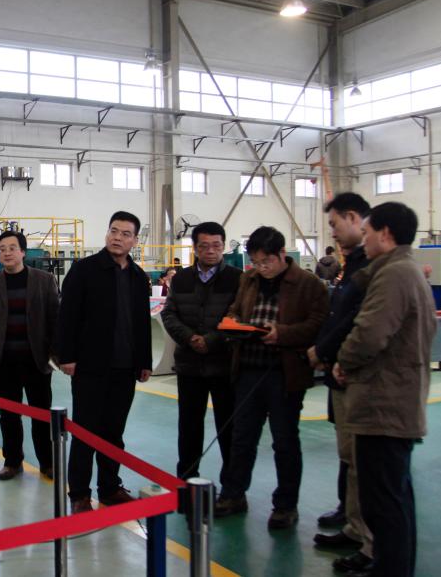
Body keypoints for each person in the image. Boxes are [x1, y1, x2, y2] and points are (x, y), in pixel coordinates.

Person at [334, 202, 436, 577]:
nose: (364, 240)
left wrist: (342, 361)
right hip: (395, 400)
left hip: (384, 404)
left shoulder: (394, 275)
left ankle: (390, 569)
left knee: (383, 501)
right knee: (394, 497)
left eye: (368, 232)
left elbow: (370, 333)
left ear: (386, 234)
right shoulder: (406, 271)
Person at [214, 226, 328, 529]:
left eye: (266, 261)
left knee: (284, 441)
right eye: (255, 262)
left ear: (282, 254)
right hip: (248, 370)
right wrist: (233, 322)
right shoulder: (248, 279)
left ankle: (285, 506)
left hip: (284, 373)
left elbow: (318, 324)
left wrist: (283, 334)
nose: (261, 268)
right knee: (242, 438)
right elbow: (236, 309)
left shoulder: (308, 284)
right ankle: (233, 494)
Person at [59, 211, 152, 514]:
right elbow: (67, 316)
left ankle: (110, 488)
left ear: (134, 241)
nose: (117, 237)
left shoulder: (138, 277)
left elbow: (142, 323)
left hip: (125, 368)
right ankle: (80, 494)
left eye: (125, 234)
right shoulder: (84, 270)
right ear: (107, 233)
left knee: (113, 432)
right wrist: (67, 356)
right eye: (114, 230)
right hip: (90, 367)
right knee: (85, 431)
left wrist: (144, 361)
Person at [306, 193, 374, 572]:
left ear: (353, 218)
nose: (331, 231)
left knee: (364, 462)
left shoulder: (375, 267)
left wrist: (326, 352)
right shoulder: (353, 265)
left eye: (334, 224)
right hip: (341, 373)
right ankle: (354, 525)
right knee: (350, 457)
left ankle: (370, 543)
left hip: (359, 376)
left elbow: (360, 322)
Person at [0, 230, 60, 480]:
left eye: (11, 248)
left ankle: (47, 462)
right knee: (9, 415)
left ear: (23, 252)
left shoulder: (44, 280)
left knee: (42, 414)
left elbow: (55, 319)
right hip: (4, 360)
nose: (6, 253)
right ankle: (13, 461)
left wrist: (58, 355)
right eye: (2, 249)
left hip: (37, 360)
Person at [160, 221, 241, 484]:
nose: (211, 251)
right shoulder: (181, 279)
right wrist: (190, 338)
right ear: (195, 248)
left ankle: (232, 488)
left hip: (224, 366)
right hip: (189, 366)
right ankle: (186, 480)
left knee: (228, 427)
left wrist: (212, 341)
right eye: (204, 246)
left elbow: (239, 317)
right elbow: (169, 314)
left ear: (223, 246)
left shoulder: (237, 279)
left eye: (216, 245)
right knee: (189, 427)